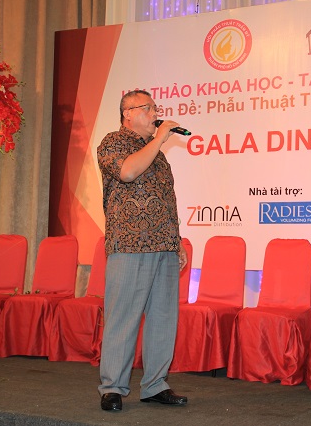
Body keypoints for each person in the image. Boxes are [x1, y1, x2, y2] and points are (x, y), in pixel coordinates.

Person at [96, 89, 189, 412]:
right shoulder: (113, 142)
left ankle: (155, 385)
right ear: (128, 113)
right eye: (148, 109)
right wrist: (160, 138)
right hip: (129, 244)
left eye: (155, 109)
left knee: (163, 319)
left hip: (164, 246)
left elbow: (166, 201)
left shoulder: (158, 156)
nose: (155, 114)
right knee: (123, 318)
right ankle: (112, 388)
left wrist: (176, 241)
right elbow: (127, 172)